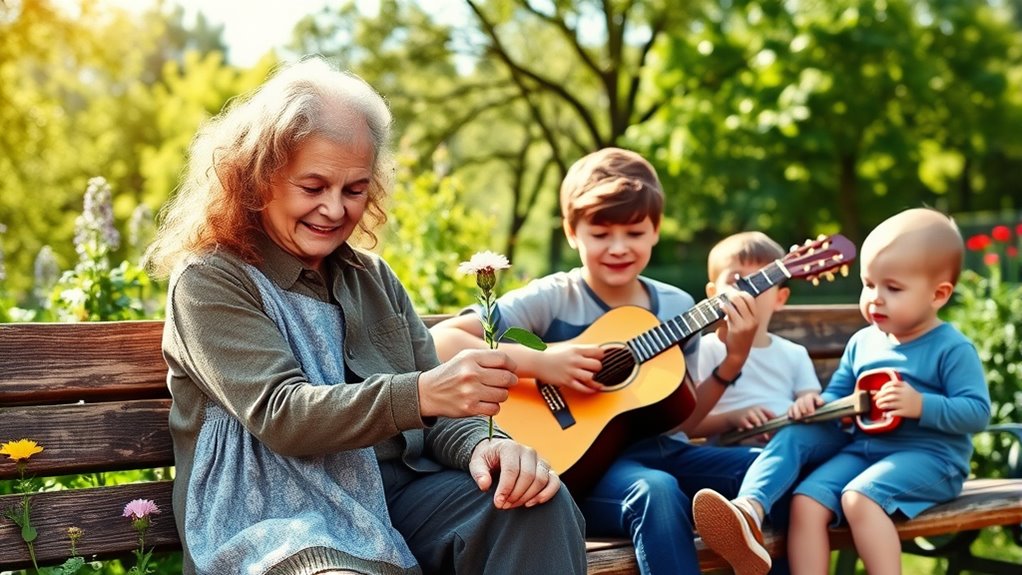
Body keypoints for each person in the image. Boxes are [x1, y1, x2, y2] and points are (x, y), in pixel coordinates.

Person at [143, 56, 586, 575]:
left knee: (535, 503)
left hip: (394, 503)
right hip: (278, 518)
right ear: (259, 179)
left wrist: (489, 448)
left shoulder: (370, 277)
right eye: (313, 187)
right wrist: (419, 392)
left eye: (354, 190)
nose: (335, 209)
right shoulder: (212, 279)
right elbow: (281, 415)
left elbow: (443, 416)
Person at [430, 147, 767, 575]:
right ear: (572, 231)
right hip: (581, 469)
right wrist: (544, 360)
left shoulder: (676, 306)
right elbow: (441, 340)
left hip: (662, 451)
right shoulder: (554, 297)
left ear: (656, 229)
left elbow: (682, 422)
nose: (619, 248)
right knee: (657, 491)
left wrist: (733, 359)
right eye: (601, 233)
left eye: (634, 232)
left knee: (773, 468)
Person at [693, 207, 992, 575]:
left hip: (932, 457)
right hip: (865, 450)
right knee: (806, 499)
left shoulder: (950, 347)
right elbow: (838, 394)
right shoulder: (864, 341)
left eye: (893, 288)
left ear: (938, 295)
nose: (875, 298)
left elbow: (977, 412)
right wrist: (816, 404)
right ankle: (747, 512)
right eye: (868, 284)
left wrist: (920, 405)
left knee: (858, 498)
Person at [688, 231, 822, 444]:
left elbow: (811, 398)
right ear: (713, 294)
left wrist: (807, 404)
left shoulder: (794, 354)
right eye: (737, 279)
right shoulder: (704, 351)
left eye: (764, 280)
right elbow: (687, 427)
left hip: (789, 442)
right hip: (729, 451)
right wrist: (732, 418)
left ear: (780, 298)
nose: (750, 290)